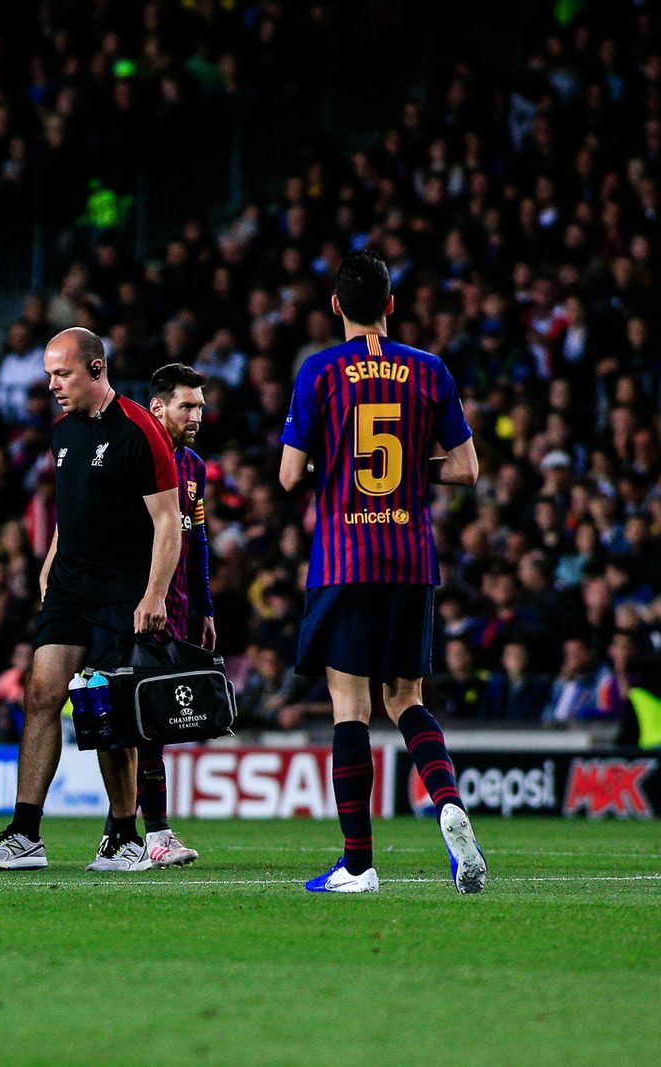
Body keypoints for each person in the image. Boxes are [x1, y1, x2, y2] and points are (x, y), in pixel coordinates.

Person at [279, 249, 486, 894]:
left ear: (335, 306)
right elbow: (467, 469)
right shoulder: (429, 369)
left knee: (351, 706)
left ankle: (358, 865)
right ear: (391, 305)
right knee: (406, 701)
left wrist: (339, 464)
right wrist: (410, 469)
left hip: (344, 558)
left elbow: (288, 474)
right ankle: (448, 803)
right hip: (409, 557)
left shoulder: (319, 370)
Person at [0, 326, 183, 872]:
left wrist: (155, 593)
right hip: (69, 586)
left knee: (105, 706)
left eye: (62, 374)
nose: (52, 385)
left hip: (120, 592)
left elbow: (168, 521)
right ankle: (25, 834)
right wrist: (50, 560)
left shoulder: (140, 429)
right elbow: (73, 510)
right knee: (42, 694)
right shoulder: (62, 433)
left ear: (95, 369)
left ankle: (124, 836)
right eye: (49, 375)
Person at [136, 362, 216, 868]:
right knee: (146, 725)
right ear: (158, 406)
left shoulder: (194, 467)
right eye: (187, 406)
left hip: (179, 610)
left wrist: (205, 606)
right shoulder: (135, 455)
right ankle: (154, 834)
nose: (197, 415)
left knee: (153, 725)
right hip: (138, 609)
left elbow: (197, 537)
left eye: (200, 406)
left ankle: (126, 836)